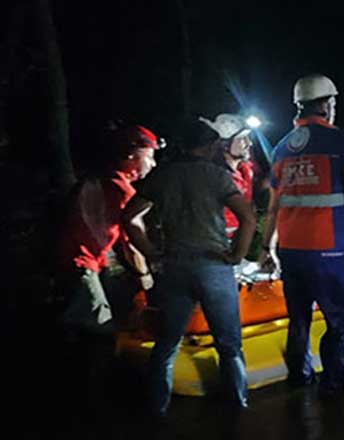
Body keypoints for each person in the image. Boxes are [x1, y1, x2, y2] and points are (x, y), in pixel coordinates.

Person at [122, 118, 256, 416]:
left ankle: (156, 409)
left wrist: (152, 253)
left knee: (167, 346)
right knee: (229, 345)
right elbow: (248, 217)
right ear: (209, 146)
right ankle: (238, 407)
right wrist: (237, 255)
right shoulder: (217, 176)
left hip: (174, 267)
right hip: (214, 267)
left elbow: (130, 218)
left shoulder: (162, 176)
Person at [258, 73, 344, 396]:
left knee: (299, 321)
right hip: (331, 251)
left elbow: (273, 207)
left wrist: (265, 247)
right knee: (339, 323)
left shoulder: (281, 149)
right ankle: (334, 392)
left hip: (291, 253)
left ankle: (300, 383)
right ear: (326, 104)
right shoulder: (337, 141)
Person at [56, 123, 160, 336]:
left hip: (82, 259)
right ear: (130, 155)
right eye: (148, 157)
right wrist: (145, 274)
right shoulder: (121, 190)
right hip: (80, 262)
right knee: (98, 326)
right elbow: (130, 242)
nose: (153, 164)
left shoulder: (99, 179)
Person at [199, 113, 257, 237]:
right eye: (243, 138)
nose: (249, 143)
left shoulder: (245, 171)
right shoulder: (213, 175)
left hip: (235, 239)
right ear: (225, 145)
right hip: (215, 242)